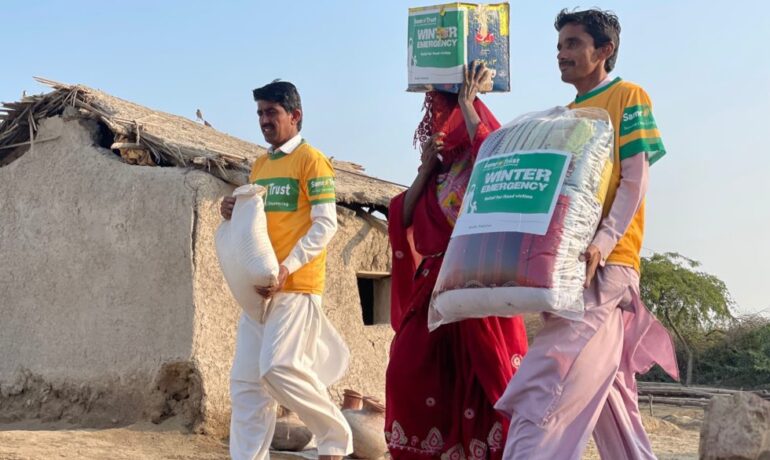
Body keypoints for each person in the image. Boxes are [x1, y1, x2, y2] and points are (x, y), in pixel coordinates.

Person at [495, 9, 679, 459]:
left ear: (605, 50)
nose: (562, 54)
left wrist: (603, 241)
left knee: (551, 378)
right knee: (615, 399)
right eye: (560, 46)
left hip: (605, 262)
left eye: (573, 43)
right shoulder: (564, 116)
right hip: (569, 263)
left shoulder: (627, 97)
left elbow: (635, 180)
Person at [385, 63, 529, 460]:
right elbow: (403, 215)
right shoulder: (441, 170)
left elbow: (500, 168)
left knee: (487, 385)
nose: (436, 120)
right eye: (433, 111)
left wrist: (468, 103)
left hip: (481, 288)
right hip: (434, 291)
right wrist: (426, 169)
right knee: (407, 370)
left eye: (442, 110)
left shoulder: (489, 157)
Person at [220, 80, 352, 460]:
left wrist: (287, 266)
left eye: (271, 112)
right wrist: (232, 210)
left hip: (295, 284)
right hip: (259, 291)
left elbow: (325, 224)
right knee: (245, 384)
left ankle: (335, 438)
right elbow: (255, 224)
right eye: (260, 113)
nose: (264, 120)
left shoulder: (313, 160)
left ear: (295, 115)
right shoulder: (260, 165)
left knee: (278, 368)